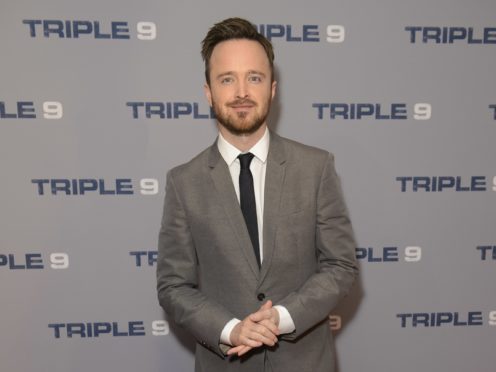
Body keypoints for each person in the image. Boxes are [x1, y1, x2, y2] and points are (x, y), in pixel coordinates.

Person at [156, 17, 358, 372]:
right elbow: (173, 286)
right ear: (208, 92)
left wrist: (281, 317)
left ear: (272, 88)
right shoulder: (183, 182)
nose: (241, 93)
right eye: (227, 79)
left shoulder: (316, 167)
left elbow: (340, 266)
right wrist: (231, 330)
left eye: (254, 77)